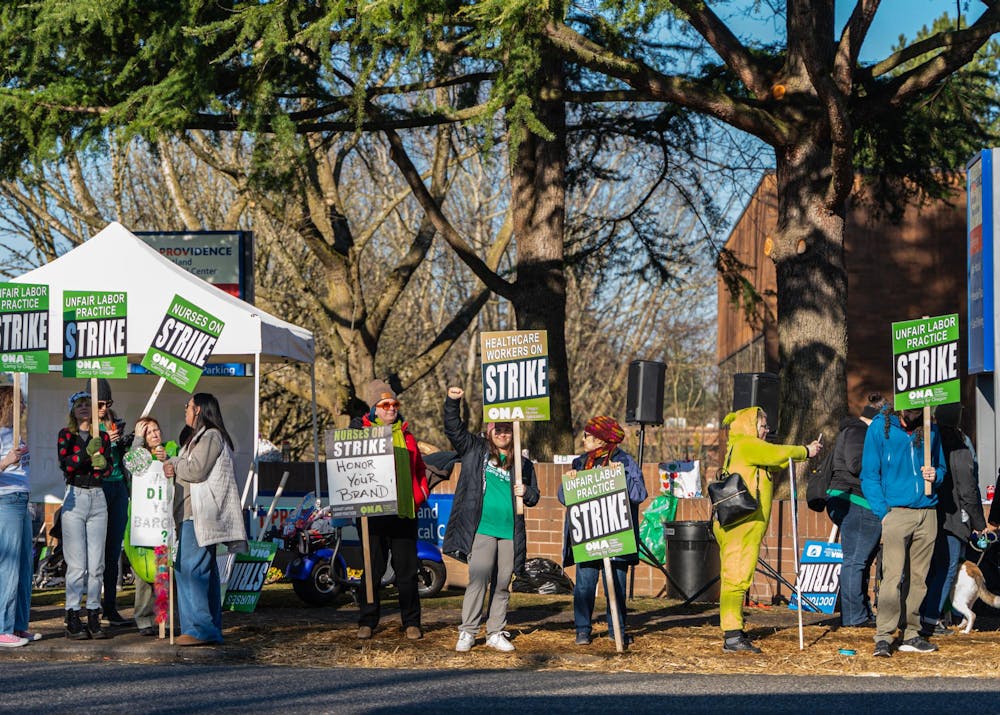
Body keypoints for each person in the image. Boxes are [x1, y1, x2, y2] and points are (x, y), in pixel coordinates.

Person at [715, 407, 821, 654]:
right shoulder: (747, 444)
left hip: (741, 525)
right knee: (736, 579)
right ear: (749, 426)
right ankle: (732, 635)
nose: (767, 431)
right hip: (741, 526)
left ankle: (734, 630)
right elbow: (777, 453)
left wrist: (798, 456)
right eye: (763, 426)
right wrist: (806, 451)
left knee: (737, 577)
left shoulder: (743, 447)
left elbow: (775, 460)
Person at [443, 386, 540, 653]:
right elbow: (453, 429)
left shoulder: (523, 464)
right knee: (478, 578)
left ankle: (495, 632)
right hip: (482, 529)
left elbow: (534, 497)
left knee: (503, 583)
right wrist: (453, 402)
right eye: (498, 429)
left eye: (507, 430)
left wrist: (526, 491)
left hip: (510, 532)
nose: (502, 434)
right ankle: (468, 631)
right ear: (489, 430)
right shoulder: (475, 449)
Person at [163, 393, 247, 646]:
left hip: (198, 515)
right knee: (203, 572)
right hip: (192, 514)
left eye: (187, 406)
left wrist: (174, 463)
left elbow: (196, 470)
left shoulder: (210, 436)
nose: (185, 410)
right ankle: (208, 627)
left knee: (191, 570)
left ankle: (199, 628)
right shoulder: (200, 437)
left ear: (198, 409)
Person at [860, 405, 945, 657]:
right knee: (892, 576)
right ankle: (884, 635)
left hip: (927, 511)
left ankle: (911, 633)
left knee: (919, 578)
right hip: (896, 511)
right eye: (910, 411)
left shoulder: (930, 427)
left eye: (918, 412)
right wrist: (884, 512)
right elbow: (869, 475)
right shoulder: (879, 427)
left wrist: (936, 475)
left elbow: (941, 467)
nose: (913, 415)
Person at [557, 416, 647, 647]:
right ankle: (582, 630)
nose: (583, 439)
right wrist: (568, 482)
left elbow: (639, 494)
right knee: (584, 586)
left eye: (587, 435)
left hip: (616, 537)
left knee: (615, 587)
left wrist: (622, 476)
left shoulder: (625, 461)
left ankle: (616, 630)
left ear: (600, 440)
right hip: (588, 537)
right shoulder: (580, 463)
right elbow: (563, 498)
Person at [354, 380, 429, 641]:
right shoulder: (359, 435)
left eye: (394, 404)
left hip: (403, 511)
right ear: (374, 409)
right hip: (372, 514)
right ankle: (367, 621)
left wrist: (420, 494)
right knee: (372, 568)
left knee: (406, 570)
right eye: (385, 404)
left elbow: (420, 470)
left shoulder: (407, 436)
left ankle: (411, 622)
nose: (391, 408)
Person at [919, 403, 986, 634]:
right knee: (947, 568)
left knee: (930, 568)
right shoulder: (959, 447)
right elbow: (968, 490)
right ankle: (931, 618)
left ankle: (926, 614)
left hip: (928, 512)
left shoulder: (928, 443)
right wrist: (979, 523)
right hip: (953, 517)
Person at [825, 392, 886, 627]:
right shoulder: (859, 431)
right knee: (856, 560)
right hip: (856, 501)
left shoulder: (856, 430)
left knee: (860, 560)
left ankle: (859, 611)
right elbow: (855, 464)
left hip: (854, 501)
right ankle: (854, 617)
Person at [58, 390, 112, 639]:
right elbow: (66, 464)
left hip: (98, 496)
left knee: (96, 563)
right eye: (78, 404)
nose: (83, 408)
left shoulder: (102, 436)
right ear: (72, 409)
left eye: (87, 404)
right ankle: (72, 614)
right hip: (75, 496)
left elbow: (108, 468)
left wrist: (104, 465)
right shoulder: (66, 435)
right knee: (77, 564)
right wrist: (86, 454)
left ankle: (93, 612)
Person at [127, 416, 179, 636]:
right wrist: (138, 440)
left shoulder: (171, 449)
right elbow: (132, 465)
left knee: (163, 572)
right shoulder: (138, 455)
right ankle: (143, 619)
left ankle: (164, 619)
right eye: (149, 432)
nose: (155, 434)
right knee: (143, 574)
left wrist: (167, 459)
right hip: (143, 523)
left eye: (156, 430)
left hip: (163, 522)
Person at [90, 379, 134, 627]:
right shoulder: (86, 425)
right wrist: (106, 441)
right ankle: (91, 607)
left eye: (108, 403)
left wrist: (124, 444)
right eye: (99, 404)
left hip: (118, 486)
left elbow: (122, 457)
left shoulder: (113, 421)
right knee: (95, 550)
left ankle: (110, 607)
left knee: (113, 548)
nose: (104, 408)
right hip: (99, 487)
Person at [0, 386, 33, 647]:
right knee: (9, 566)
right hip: (6, 500)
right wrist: (5, 461)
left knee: (24, 565)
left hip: (22, 498)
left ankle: (19, 625)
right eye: (19, 402)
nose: (23, 407)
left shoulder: (16, 434)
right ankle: (3, 627)